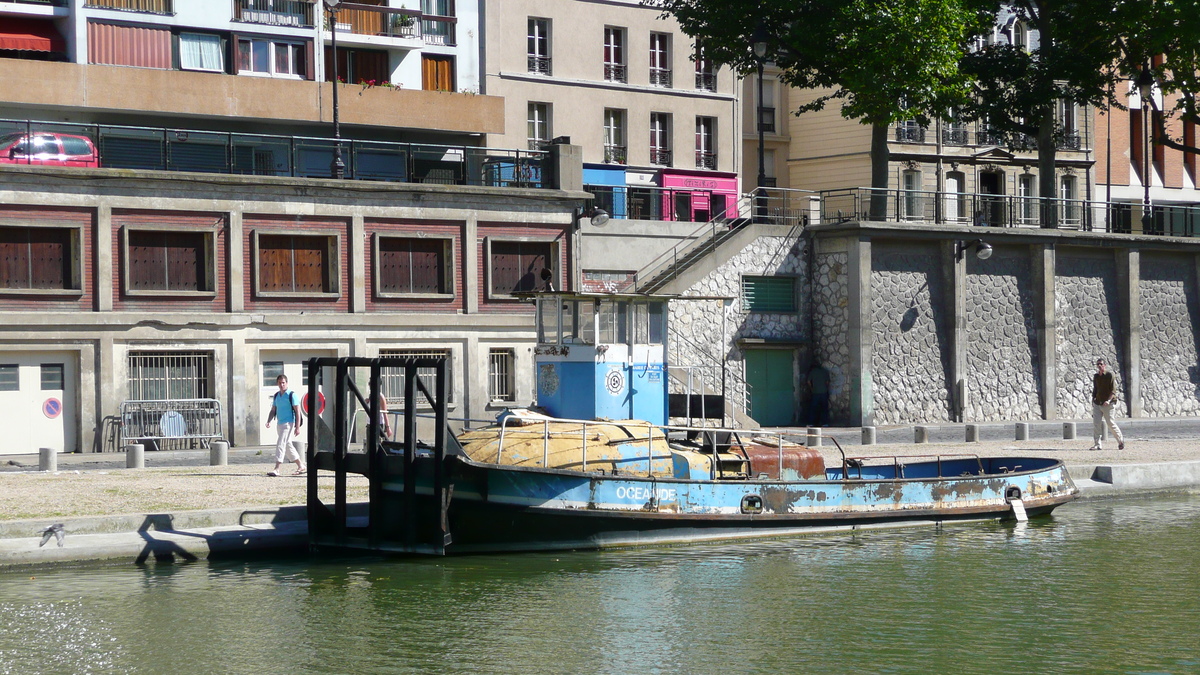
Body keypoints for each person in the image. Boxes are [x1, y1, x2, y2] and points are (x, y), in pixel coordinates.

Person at [265, 374, 306, 476]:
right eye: (280, 383)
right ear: (277, 383)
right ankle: (301, 465)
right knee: (287, 445)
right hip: (280, 423)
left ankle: (277, 468)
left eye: (283, 382)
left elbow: (297, 411)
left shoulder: (291, 395)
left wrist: (297, 427)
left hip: (288, 423)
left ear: (287, 383)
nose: (282, 384)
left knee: (280, 443)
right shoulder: (276, 396)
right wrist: (269, 421)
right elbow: (273, 410)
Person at [1090, 358, 1125, 451]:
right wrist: (1093, 399)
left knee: (1110, 423)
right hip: (1098, 402)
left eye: (1101, 364)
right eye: (1098, 364)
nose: (1099, 366)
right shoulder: (1096, 376)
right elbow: (1095, 389)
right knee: (1096, 424)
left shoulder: (1110, 375)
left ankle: (1120, 441)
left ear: (1104, 365)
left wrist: (1108, 401)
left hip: (1108, 403)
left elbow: (1113, 390)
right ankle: (1097, 444)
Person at [807, 359, 830, 427]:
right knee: (824, 408)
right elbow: (827, 382)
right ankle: (824, 423)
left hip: (815, 392)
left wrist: (811, 388)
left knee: (813, 408)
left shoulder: (813, 372)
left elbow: (808, 381)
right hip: (824, 392)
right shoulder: (825, 371)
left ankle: (811, 423)